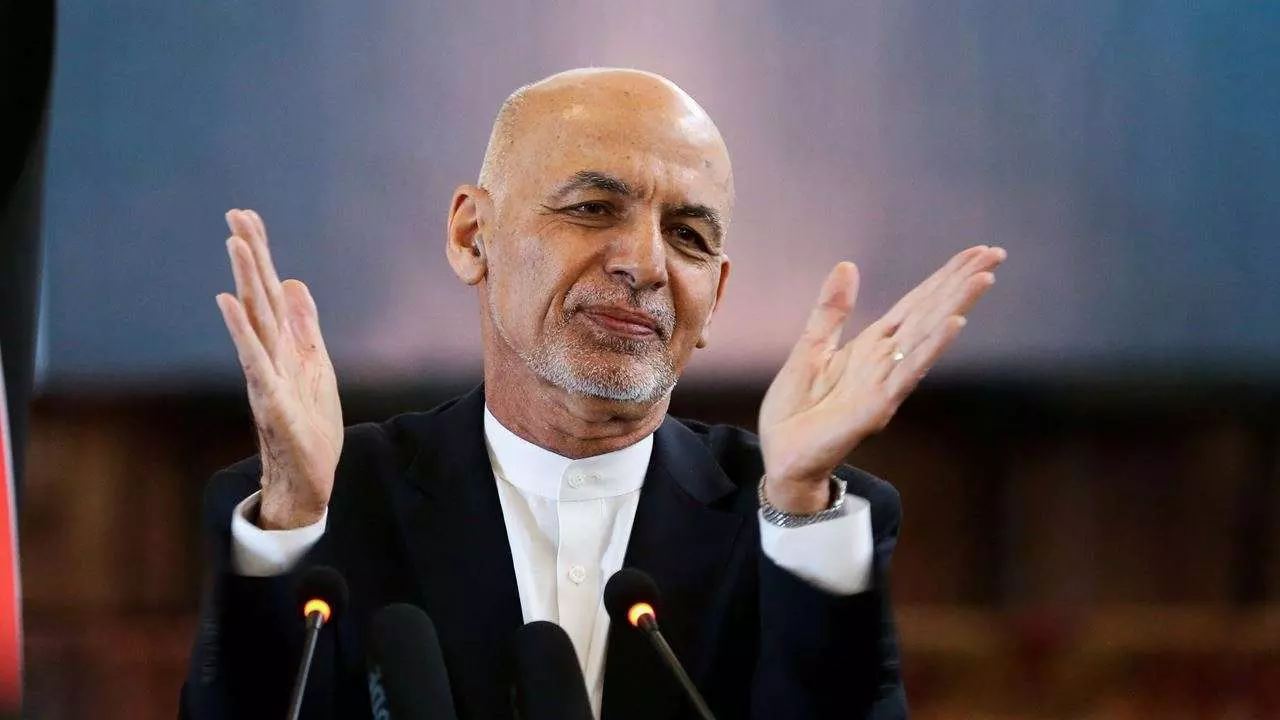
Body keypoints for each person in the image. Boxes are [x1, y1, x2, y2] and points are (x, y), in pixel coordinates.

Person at [180, 68, 1005, 719]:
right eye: (593, 207)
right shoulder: (328, 500)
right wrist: (292, 524)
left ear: (715, 297)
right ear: (472, 236)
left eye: (688, 236)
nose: (644, 264)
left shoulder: (801, 517)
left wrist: (796, 505)